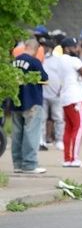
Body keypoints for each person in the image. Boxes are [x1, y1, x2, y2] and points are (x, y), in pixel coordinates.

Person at [11, 39, 48, 174]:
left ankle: (17, 163)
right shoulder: (34, 62)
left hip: (16, 102)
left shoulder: (14, 61)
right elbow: (44, 77)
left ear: (25, 46)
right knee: (31, 133)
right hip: (32, 101)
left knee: (17, 134)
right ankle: (29, 164)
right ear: (37, 49)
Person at [59, 37, 82, 167]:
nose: (76, 49)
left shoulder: (60, 60)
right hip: (75, 97)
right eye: (74, 47)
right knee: (79, 127)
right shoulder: (74, 60)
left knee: (69, 128)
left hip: (66, 96)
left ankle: (68, 158)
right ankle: (74, 158)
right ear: (67, 48)